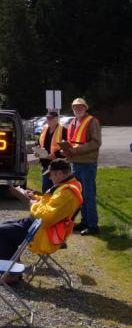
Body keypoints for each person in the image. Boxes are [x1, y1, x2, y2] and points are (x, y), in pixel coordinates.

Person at [0, 159, 82, 284]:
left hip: (45, 230)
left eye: (51, 175)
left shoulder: (67, 193)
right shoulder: (69, 185)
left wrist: (32, 204)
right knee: (5, 226)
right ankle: (13, 272)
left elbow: (47, 218)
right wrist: (35, 197)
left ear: (59, 173)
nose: (50, 178)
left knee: (3, 231)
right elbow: (52, 204)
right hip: (39, 225)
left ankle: (10, 275)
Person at [62, 98, 102, 236]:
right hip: (75, 163)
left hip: (87, 164)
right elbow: (72, 142)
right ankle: (85, 222)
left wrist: (75, 150)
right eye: (75, 107)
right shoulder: (73, 122)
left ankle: (93, 226)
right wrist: (66, 149)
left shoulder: (92, 121)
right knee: (80, 196)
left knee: (89, 195)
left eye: (80, 107)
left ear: (85, 108)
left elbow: (96, 143)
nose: (78, 109)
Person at [36, 111, 67, 192]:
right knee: (46, 190)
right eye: (47, 118)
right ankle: (46, 204)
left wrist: (55, 155)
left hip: (57, 166)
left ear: (57, 119)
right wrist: (37, 150)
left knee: (57, 190)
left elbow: (67, 147)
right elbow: (39, 142)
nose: (49, 120)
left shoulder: (63, 130)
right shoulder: (44, 129)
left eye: (51, 118)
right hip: (45, 165)